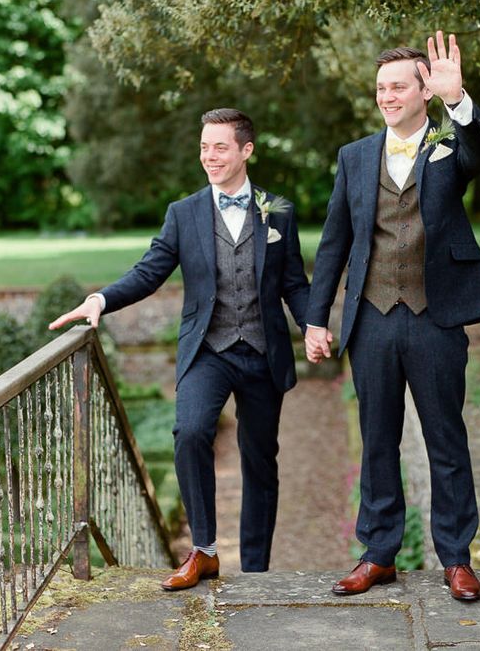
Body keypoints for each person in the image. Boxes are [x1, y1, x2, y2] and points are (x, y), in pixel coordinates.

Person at [50, 108, 310, 589]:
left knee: (260, 460)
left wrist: (313, 324)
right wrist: (101, 299)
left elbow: (293, 282)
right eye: (204, 147)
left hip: (261, 351)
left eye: (220, 147)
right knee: (190, 432)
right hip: (208, 349)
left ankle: (255, 569)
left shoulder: (279, 211)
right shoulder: (184, 213)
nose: (209, 157)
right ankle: (205, 551)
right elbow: (150, 272)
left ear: (246, 150)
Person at [304, 32, 480, 602]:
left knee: (445, 438)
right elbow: (334, 241)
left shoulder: (449, 144)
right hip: (372, 320)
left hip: (436, 316)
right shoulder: (355, 156)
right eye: (380, 88)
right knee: (377, 439)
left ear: (423, 90)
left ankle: (456, 558)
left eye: (398, 86)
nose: (387, 97)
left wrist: (458, 99)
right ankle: (378, 554)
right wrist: (318, 319)